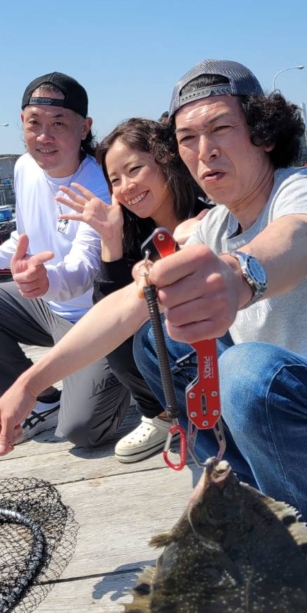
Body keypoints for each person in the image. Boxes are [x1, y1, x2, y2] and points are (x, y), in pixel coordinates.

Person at [0, 60, 307, 602]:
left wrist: (239, 275)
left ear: (264, 133)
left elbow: (301, 240)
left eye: (221, 129)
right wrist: (29, 383)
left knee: (247, 371)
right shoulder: (214, 226)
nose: (204, 151)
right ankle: (236, 498)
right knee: (158, 336)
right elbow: (123, 309)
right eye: (188, 138)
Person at [0, 72, 130, 448]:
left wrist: (46, 281)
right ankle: (43, 402)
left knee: (83, 430)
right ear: (22, 124)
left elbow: (86, 268)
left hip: (94, 319)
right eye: (34, 124)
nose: (44, 137)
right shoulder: (25, 167)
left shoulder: (99, 184)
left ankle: (124, 377)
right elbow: (25, 236)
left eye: (58, 123)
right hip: (45, 306)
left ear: (84, 128)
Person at [57, 117, 208, 463]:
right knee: (123, 327)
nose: (126, 186)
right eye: (115, 180)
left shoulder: (209, 220)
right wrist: (110, 240)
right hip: (157, 367)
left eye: (135, 169)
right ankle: (159, 413)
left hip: (210, 357)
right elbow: (109, 320)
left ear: (166, 160)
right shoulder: (130, 234)